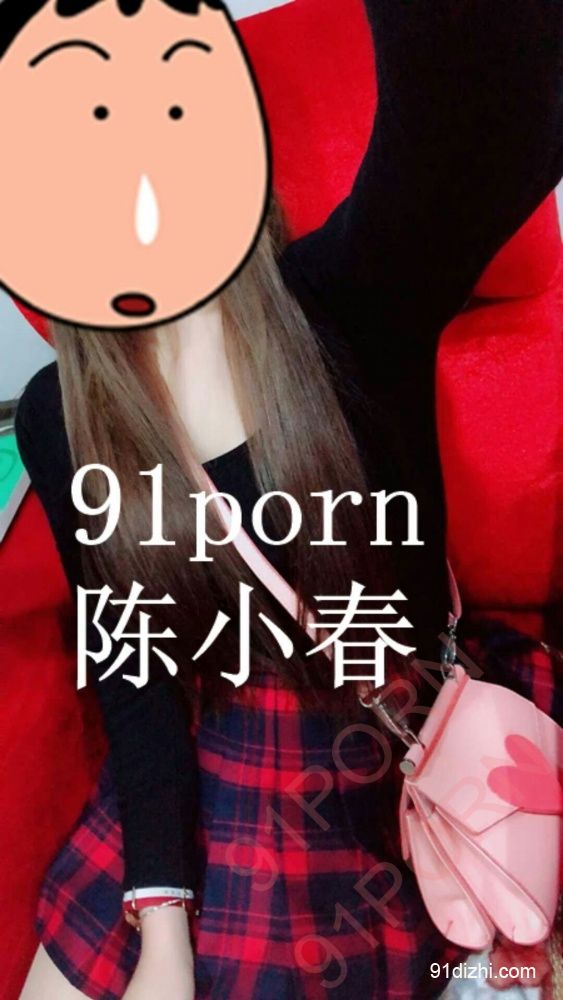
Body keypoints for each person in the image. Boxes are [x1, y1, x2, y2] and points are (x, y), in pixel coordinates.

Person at [11, 0, 562, 997]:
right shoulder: (58, 410)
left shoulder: (350, 292)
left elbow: (494, 99)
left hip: (385, 754)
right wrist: (163, 934)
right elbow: (134, 679)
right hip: (206, 759)